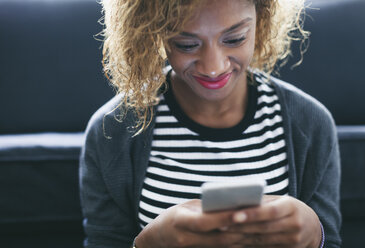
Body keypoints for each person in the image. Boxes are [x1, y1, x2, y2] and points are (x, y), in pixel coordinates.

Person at [79, 0, 341, 247]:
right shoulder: (113, 130)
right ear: (153, 32)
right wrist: (146, 244)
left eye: (235, 39)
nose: (214, 67)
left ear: (261, 19)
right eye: (186, 44)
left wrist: (315, 236)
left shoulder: (310, 124)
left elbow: (330, 240)